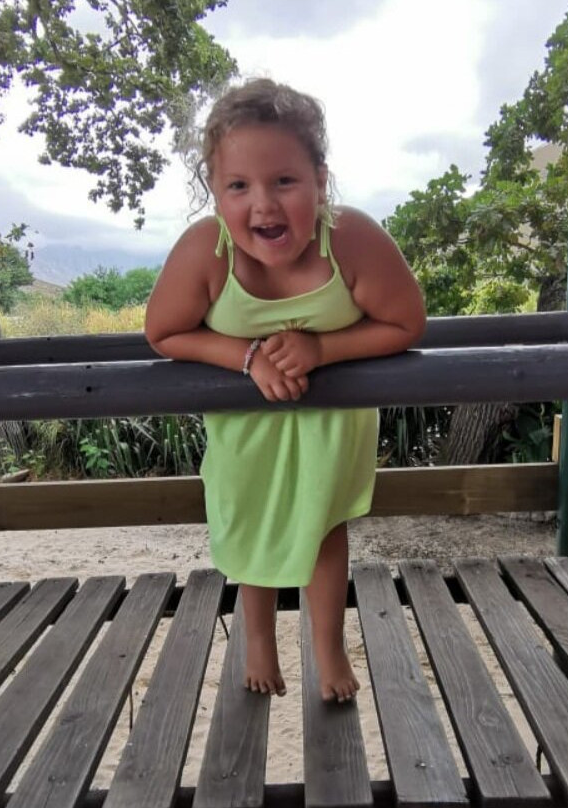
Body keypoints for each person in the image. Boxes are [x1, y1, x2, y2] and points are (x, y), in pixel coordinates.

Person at [145, 78, 426, 702]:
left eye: (284, 181)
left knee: (323, 531)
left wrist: (321, 349)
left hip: (329, 430)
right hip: (246, 432)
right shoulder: (206, 250)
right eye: (239, 186)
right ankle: (259, 642)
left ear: (320, 181)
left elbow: (407, 323)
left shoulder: (350, 239)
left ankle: (329, 649)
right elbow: (163, 332)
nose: (263, 205)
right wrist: (245, 357)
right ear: (214, 190)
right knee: (255, 526)